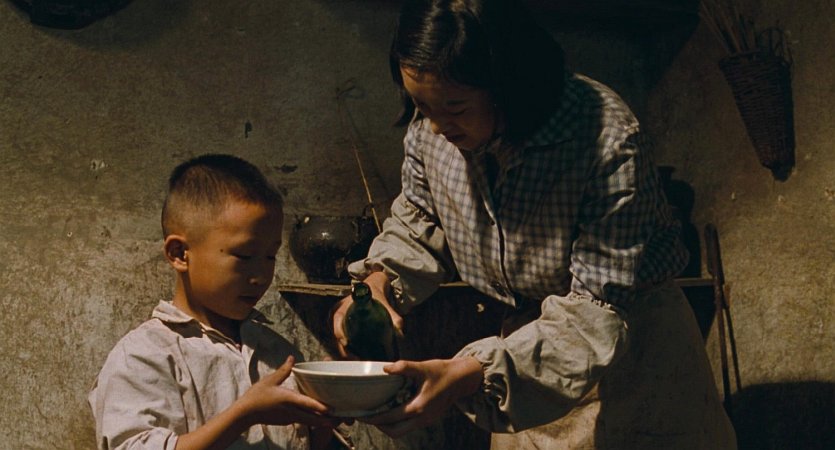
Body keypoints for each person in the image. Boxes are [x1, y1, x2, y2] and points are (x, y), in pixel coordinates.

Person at [330, 0, 737, 448]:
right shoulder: (431, 131)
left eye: (456, 107)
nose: (438, 126)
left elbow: (595, 310)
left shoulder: (604, 135)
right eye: (421, 105)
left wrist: (472, 372)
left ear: (506, 84)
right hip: (524, 353)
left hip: (632, 358)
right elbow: (422, 220)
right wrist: (378, 283)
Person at [89, 154, 340, 450]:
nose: (261, 275)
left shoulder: (278, 353)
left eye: (270, 257)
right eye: (244, 256)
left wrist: (323, 419)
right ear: (179, 254)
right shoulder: (145, 356)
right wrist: (244, 415)